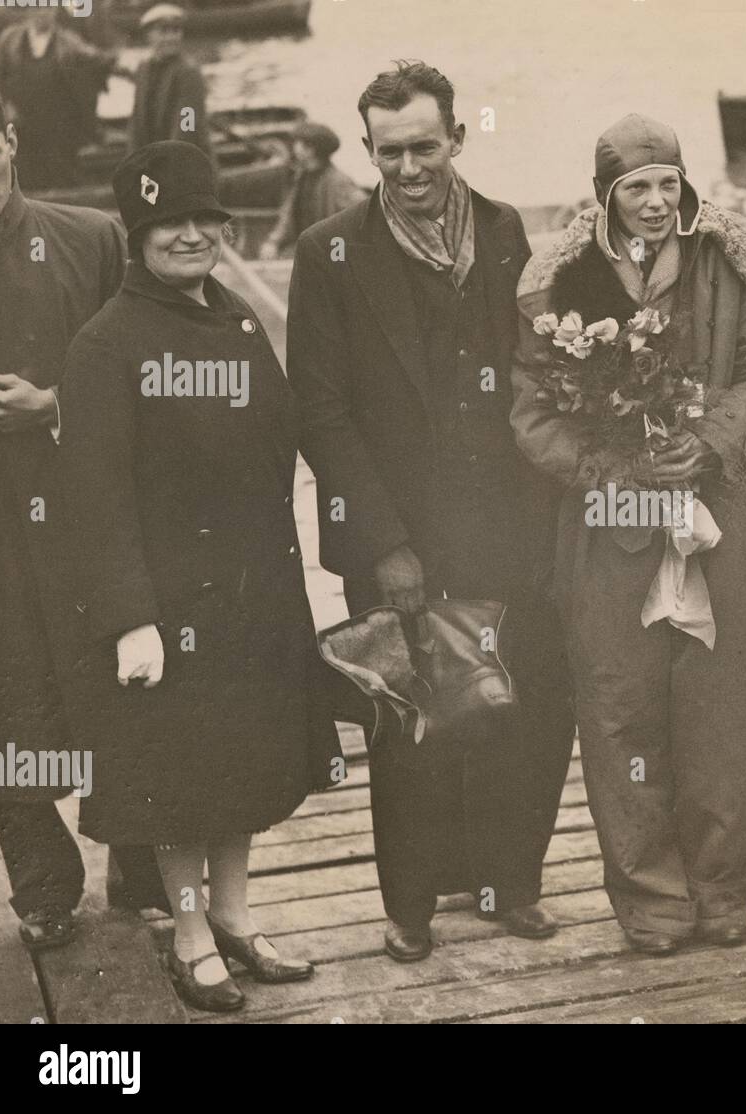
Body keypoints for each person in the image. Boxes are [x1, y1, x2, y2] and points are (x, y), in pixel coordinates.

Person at [286, 61, 576, 963]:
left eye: (424, 147)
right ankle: (410, 904)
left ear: (457, 137)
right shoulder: (328, 250)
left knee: (520, 706)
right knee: (411, 719)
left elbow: (538, 369)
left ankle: (508, 883)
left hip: (508, 523)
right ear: (367, 150)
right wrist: (385, 545)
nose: (408, 170)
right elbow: (322, 414)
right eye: (388, 153)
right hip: (400, 533)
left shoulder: (502, 230)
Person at [59, 141, 340, 1011]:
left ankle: (232, 915)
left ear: (224, 226)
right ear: (138, 237)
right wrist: (130, 619)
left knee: (246, 762)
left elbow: (280, 437)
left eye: (203, 220)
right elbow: (94, 501)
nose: (189, 236)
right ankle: (187, 937)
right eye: (166, 223)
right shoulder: (108, 343)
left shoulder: (238, 319)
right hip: (170, 606)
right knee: (181, 778)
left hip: (255, 590)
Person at [511, 113, 746, 955]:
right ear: (606, 196)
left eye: (668, 183)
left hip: (720, 511)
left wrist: (705, 443)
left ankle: (723, 889)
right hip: (608, 525)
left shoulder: (736, 264)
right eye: (637, 187)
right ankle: (652, 898)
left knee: (724, 709)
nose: (656, 201)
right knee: (620, 710)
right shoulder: (559, 282)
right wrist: (617, 471)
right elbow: (530, 413)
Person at [0, 77, 166, 953]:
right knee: (4, 695)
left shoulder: (92, 238)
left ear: (12, 138)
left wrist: (52, 404)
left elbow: (142, 372)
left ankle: (138, 865)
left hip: (85, 510)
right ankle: (45, 884)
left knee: (118, 677)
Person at [0, 7, 116, 190]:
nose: (42, 13)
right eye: (38, 7)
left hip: (58, 122)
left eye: (48, 8)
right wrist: (5, 107)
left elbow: (95, 60)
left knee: (60, 172)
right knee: (24, 172)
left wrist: (114, 63)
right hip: (21, 121)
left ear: (55, 12)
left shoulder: (68, 41)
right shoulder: (11, 39)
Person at [259, 122, 365, 260]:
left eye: (299, 143)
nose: (294, 148)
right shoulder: (301, 177)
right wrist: (273, 242)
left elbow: (362, 217)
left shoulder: (338, 181)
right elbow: (288, 215)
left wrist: (340, 255)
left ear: (311, 149)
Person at [127, 4, 212, 158]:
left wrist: (169, 162)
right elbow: (137, 120)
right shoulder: (143, 69)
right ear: (149, 35)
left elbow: (188, 127)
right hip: (154, 156)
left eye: (175, 31)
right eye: (163, 31)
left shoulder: (188, 72)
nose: (171, 38)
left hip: (186, 161)